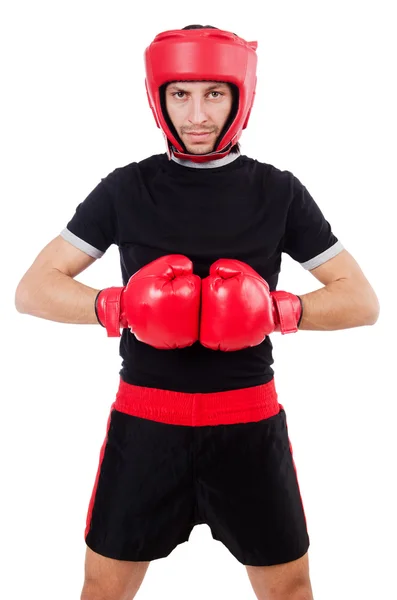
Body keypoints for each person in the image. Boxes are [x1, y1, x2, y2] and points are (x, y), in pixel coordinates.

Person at [15, 24, 380, 600]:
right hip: (145, 425)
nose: (197, 114)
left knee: (289, 588)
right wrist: (121, 304)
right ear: (158, 98)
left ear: (241, 96)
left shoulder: (277, 191)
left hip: (247, 426)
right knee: (103, 589)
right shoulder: (126, 188)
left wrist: (275, 311)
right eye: (181, 94)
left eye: (214, 93)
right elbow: (32, 289)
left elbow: (361, 300)